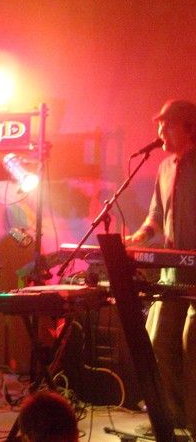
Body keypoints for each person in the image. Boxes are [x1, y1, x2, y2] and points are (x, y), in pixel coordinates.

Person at [127, 99, 196, 433]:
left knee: (192, 347)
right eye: (159, 124)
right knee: (156, 340)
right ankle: (175, 419)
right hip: (172, 273)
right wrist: (138, 236)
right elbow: (156, 214)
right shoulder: (166, 166)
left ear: (190, 128)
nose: (160, 131)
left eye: (167, 125)